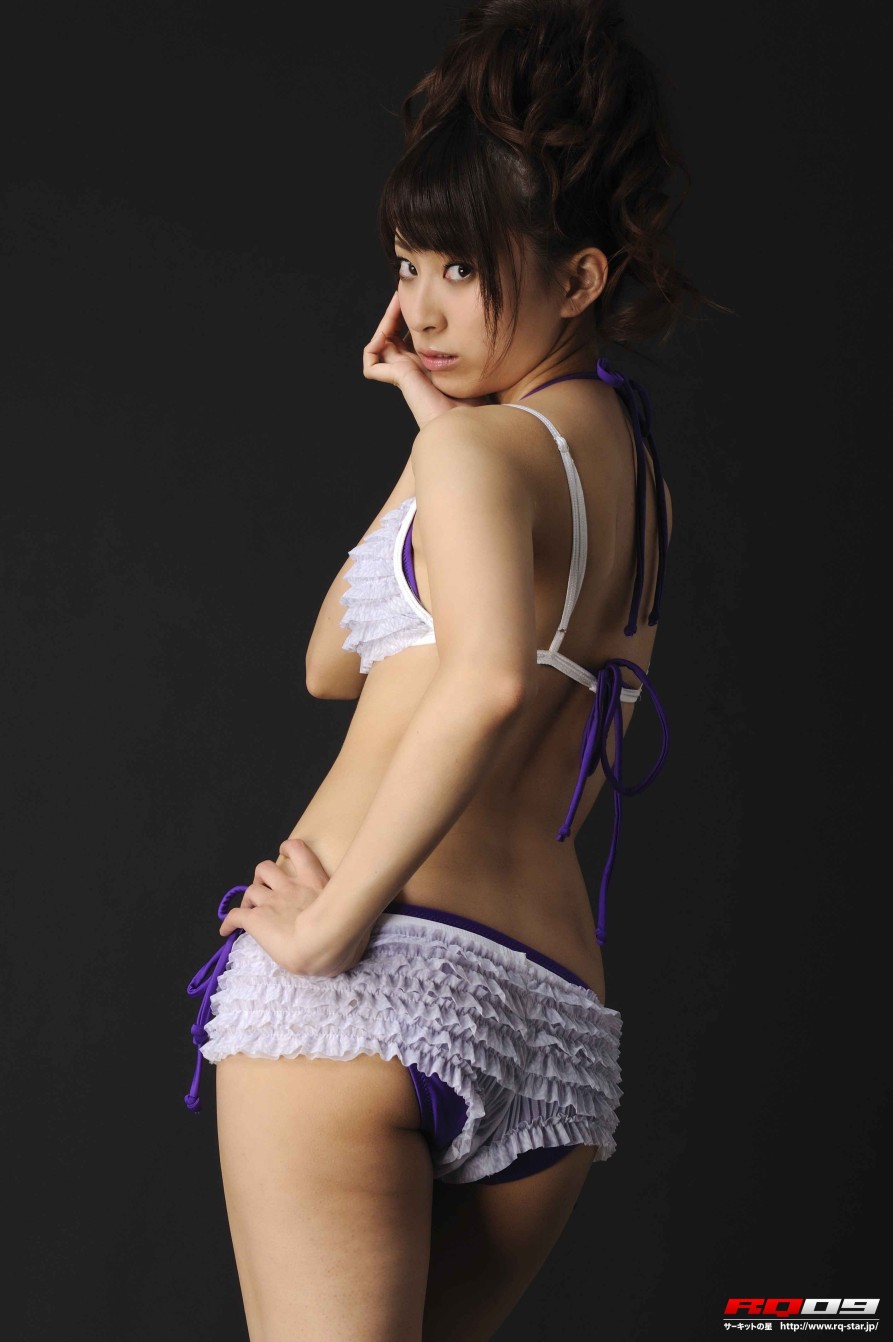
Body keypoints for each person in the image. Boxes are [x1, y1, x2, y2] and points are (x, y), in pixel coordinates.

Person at [184, 0, 716, 1336]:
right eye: (407, 264)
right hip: (550, 1024)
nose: (417, 309)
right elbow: (340, 659)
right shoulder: (635, 487)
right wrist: (435, 422)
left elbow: (476, 681)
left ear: (579, 281)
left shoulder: (482, 457)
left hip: (372, 977)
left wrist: (330, 924)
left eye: (459, 270)